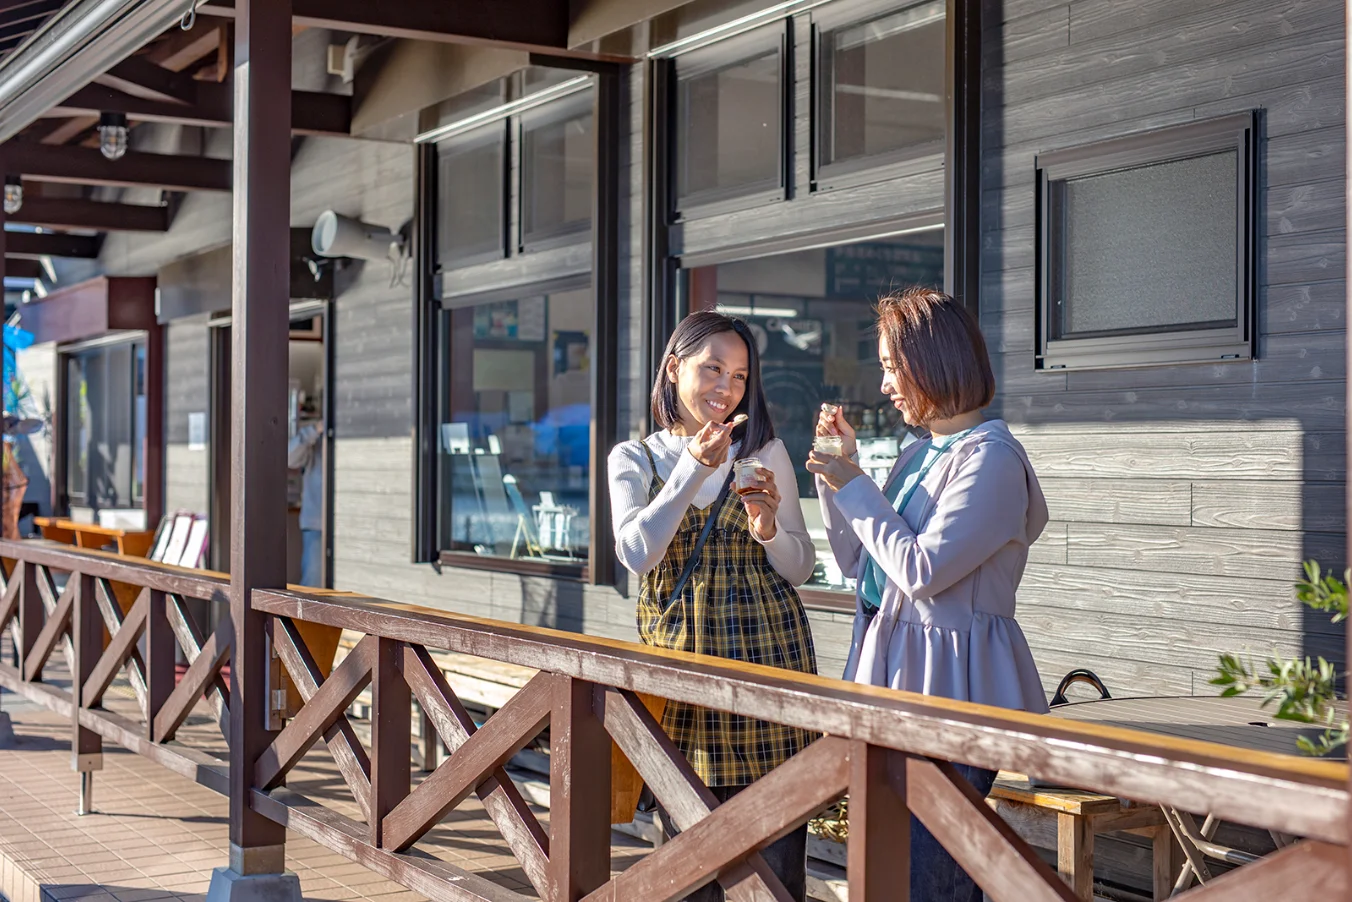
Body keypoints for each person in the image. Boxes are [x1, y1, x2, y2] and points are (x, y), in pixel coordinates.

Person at [807, 287, 1048, 902]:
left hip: (952, 691)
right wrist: (841, 476)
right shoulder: (917, 453)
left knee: (930, 878)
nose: (885, 383)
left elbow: (920, 570)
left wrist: (856, 486)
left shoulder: (991, 457)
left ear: (934, 363)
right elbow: (858, 561)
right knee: (886, 868)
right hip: (891, 678)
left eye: (892, 366)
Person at [608, 311, 818, 902]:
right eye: (713, 370)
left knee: (776, 867)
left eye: (740, 376)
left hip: (770, 666)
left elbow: (800, 568)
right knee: (687, 866)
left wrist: (769, 525)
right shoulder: (635, 459)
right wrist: (693, 468)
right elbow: (637, 554)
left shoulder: (765, 452)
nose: (726, 389)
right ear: (674, 368)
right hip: (684, 679)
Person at [288, 418, 324, 588]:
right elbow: (289, 457)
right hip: (316, 525)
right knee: (313, 586)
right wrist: (314, 430)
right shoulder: (315, 440)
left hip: (345, 526)